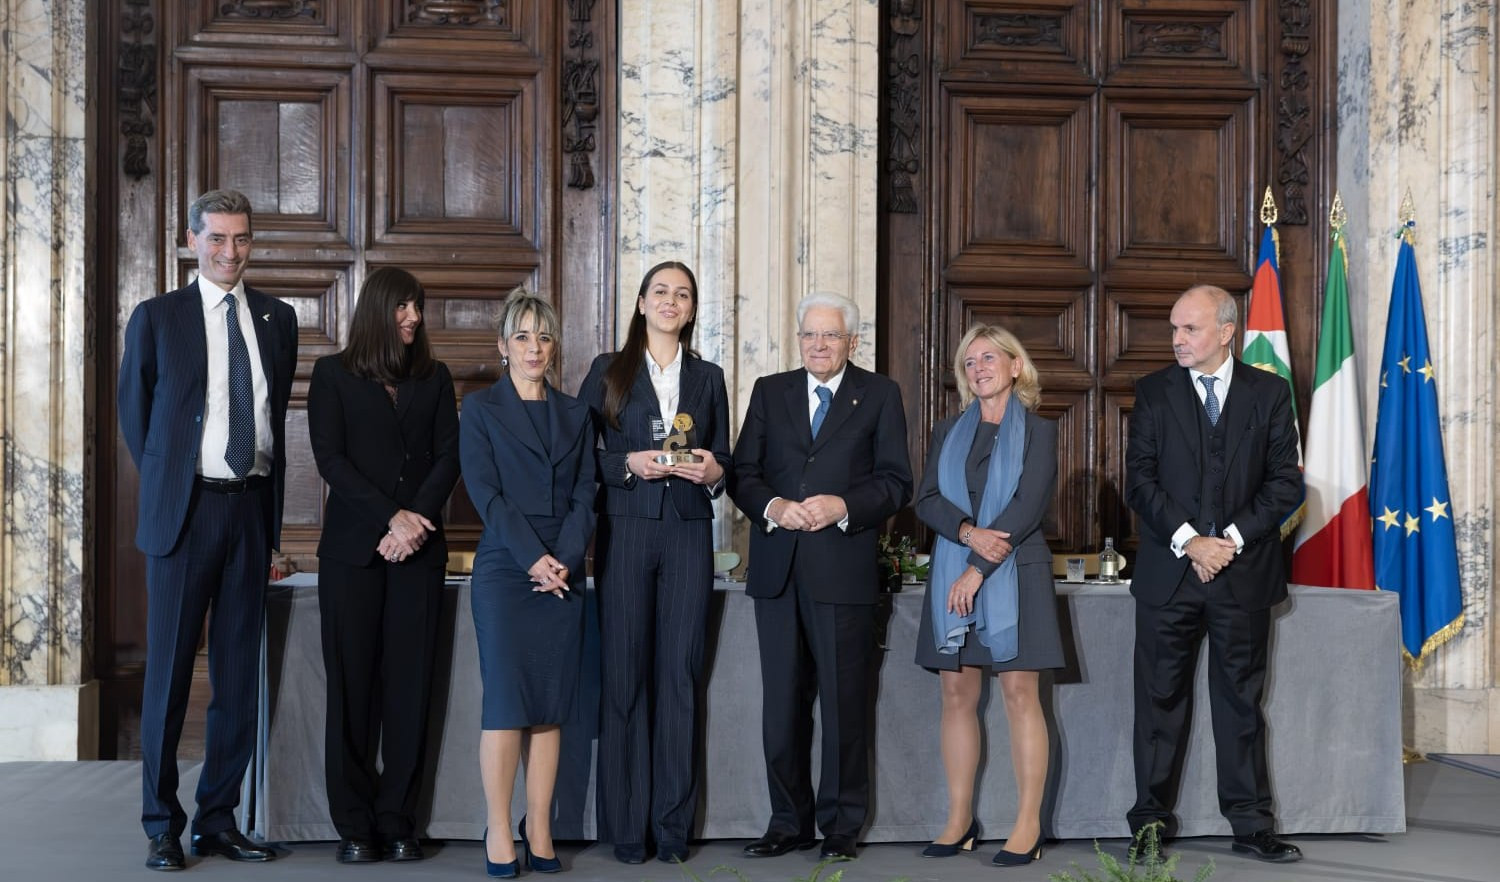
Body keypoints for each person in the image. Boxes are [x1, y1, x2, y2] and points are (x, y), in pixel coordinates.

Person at [118, 189, 298, 871]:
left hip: (250, 510)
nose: (229, 252)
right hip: (185, 513)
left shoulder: (277, 319)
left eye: (241, 239)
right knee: (166, 678)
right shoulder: (158, 318)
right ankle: (162, 822)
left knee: (236, 675)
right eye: (216, 239)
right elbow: (139, 420)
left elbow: (272, 412)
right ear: (191, 240)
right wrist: (175, 483)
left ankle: (218, 820)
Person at [729, 292, 913, 861]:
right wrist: (774, 506)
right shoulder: (770, 391)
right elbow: (742, 472)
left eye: (830, 336)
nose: (818, 344)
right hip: (778, 571)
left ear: (851, 342)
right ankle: (788, 822)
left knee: (843, 707)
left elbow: (896, 482)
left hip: (843, 570)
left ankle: (840, 827)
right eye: (809, 334)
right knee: (781, 708)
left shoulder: (880, 394)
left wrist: (844, 506)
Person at [1124, 284, 1304, 863]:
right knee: (1157, 703)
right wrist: (1190, 541)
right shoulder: (1152, 392)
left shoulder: (1271, 393)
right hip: (1169, 575)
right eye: (1174, 329)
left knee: (1241, 705)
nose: (1177, 339)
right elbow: (1141, 482)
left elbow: (1285, 484)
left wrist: (1226, 541)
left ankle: (1251, 825)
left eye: (1190, 329)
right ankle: (1149, 824)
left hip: (1243, 574)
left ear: (1226, 332)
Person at [577, 262, 732, 865]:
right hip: (626, 532)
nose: (671, 301)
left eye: (683, 294)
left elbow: (726, 459)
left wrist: (716, 471)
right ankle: (627, 829)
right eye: (660, 291)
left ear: (693, 310)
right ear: (640, 303)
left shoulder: (710, 377)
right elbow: (582, 455)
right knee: (624, 681)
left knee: (680, 680)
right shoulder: (606, 371)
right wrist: (625, 465)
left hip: (690, 535)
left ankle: (672, 828)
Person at [307, 267, 460, 863]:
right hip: (353, 555)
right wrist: (388, 519)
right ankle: (353, 825)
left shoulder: (435, 377)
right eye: (403, 307)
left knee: (409, 689)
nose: (414, 317)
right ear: (377, 310)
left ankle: (398, 820)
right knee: (350, 691)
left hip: (417, 556)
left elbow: (450, 457)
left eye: (417, 307)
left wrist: (414, 522)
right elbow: (331, 460)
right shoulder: (332, 374)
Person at [460, 287, 596, 878]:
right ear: (503, 347)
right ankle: (498, 826)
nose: (534, 347)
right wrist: (533, 558)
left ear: (554, 347)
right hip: (506, 567)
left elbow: (588, 492)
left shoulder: (576, 412)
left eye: (543, 336)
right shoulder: (480, 410)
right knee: (507, 704)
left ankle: (538, 826)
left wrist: (564, 557)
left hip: (564, 571)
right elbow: (485, 493)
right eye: (522, 336)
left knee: (549, 707)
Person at [912, 325, 1060, 867]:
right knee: (956, 697)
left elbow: (1026, 507)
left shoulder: (1041, 432)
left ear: (1016, 366)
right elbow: (926, 498)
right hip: (957, 567)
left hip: (1016, 573)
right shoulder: (949, 430)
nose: (978, 368)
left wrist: (975, 568)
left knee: (1022, 695)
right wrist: (969, 535)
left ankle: (1028, 824)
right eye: (969, 361)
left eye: (989, 358)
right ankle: (959, 819)